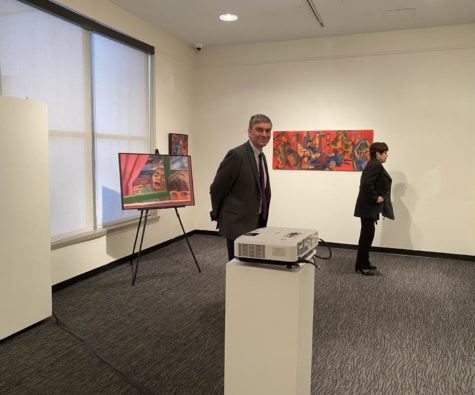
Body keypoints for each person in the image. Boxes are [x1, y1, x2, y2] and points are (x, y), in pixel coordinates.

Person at [210, 114, 272, 261]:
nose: (264, 134)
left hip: (256, 221)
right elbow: (216, 188)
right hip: (237, 224)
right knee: (237, 267)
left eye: (268, 131)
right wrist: (218, 214)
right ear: (249, 131)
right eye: (259, 130)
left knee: (250, 265)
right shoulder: (237, 155)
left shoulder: (261, 157)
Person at [354, 142, 394, 275]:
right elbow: (366, 184)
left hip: (367, 207)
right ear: (377, 153)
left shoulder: (374, 164)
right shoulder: (375, 164)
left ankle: (364, 262)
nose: (387, 156)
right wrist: (376, 197)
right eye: (385, 153)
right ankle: (361, 265)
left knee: (367, 235)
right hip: (367, 207)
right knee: (367, 236)